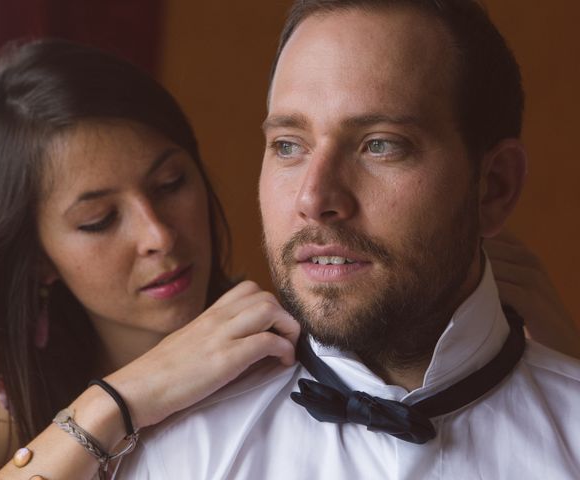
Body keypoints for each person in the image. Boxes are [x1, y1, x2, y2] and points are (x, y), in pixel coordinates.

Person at [117, 1, 580, 478]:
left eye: (380, 144)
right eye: (288, 145)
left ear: (494, 187)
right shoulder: (172, 453)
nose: (314, 198)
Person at [0, 39, 300, 480]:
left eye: (171, 183)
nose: (159, 235)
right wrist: (115, 401)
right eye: (100, 219)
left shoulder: (289, 360)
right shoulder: (14, 393)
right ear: (37, 259)